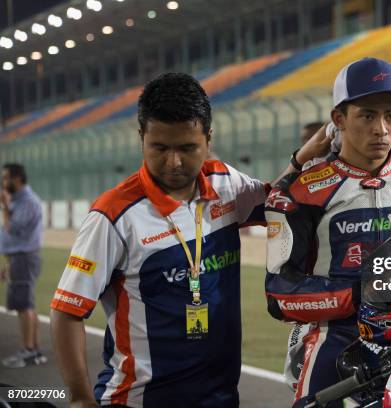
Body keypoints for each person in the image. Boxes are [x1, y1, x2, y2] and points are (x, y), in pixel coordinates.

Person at [49, 72, 328, 408]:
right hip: (139, 400)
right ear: (141, 137)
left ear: (208, 138)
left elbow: (273, 203)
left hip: (220, 397)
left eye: (187, 148)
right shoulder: (114, 216)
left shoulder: (224, 182)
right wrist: (80, 399)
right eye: (159, 148)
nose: (174, 162)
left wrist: (301, 160)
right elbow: (66, 312)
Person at [264, 57, 391, 407]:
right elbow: (280, 295)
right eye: (367, 115)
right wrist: (363, 294)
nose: (381, 129)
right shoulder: (300, 193)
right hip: (336, 338)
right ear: (339, 119)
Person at [0, 163, 45, 368]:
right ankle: (33, 350)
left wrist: (4, 207)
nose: (4, 182)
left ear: (18, 178)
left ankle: (28, 351)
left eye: (7, 177)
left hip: (24, 257)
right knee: (25, 304)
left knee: (24, 305)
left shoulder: (27, 201)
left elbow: (15, 229)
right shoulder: (19, 200)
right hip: (19, 257)